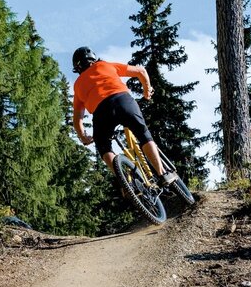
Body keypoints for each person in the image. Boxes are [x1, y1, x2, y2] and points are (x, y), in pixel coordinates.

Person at [71, 46, 179, 185]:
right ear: (93, 58)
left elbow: (77, 119)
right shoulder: (105, 65)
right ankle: (162, 174)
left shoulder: (78, 85)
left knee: (104, 148)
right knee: (143, 134)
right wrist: (147, 91)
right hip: (122, 101)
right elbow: (141, 71)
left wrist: (83, 137)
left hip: (101, 113)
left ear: (77, 68)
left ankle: (126, 184)